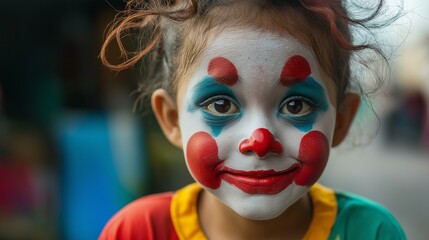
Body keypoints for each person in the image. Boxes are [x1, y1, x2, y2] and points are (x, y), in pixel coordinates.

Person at [98, 0, 406, 239]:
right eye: (220, 104)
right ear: (172, 120)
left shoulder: (371, 233)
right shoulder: (137, 232)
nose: (260, 141)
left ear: (340, 121)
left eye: (296, 105)